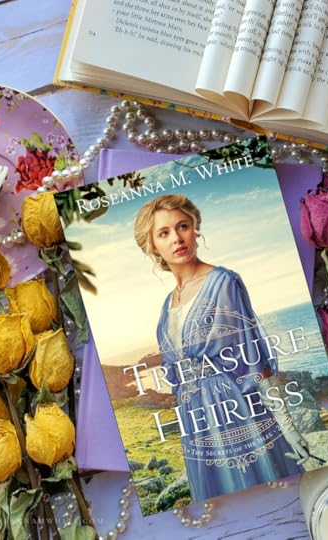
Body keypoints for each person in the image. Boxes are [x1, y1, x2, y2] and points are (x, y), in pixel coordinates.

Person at [134, 194, 309, 500]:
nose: (177, 238)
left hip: (233, 405)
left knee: (265, 494)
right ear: (153, 246)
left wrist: (288, 427)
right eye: (164, 233)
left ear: (195, 229)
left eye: (182, 226)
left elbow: (254, 358)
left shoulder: (223, 282)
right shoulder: (167, 305)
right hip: (195, 418)